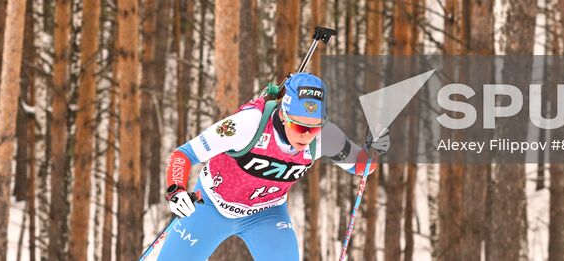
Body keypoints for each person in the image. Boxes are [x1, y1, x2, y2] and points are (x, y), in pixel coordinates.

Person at [148, 72, 388, 260]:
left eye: (313, 128)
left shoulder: (325, 136)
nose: (306, 135)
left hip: (266, 215)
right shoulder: (247, 125)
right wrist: (175, 190)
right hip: (210, 206)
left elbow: (362, 168)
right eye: (298, 126)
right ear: (283, 115)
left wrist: (374, 150)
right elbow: (184, 154)